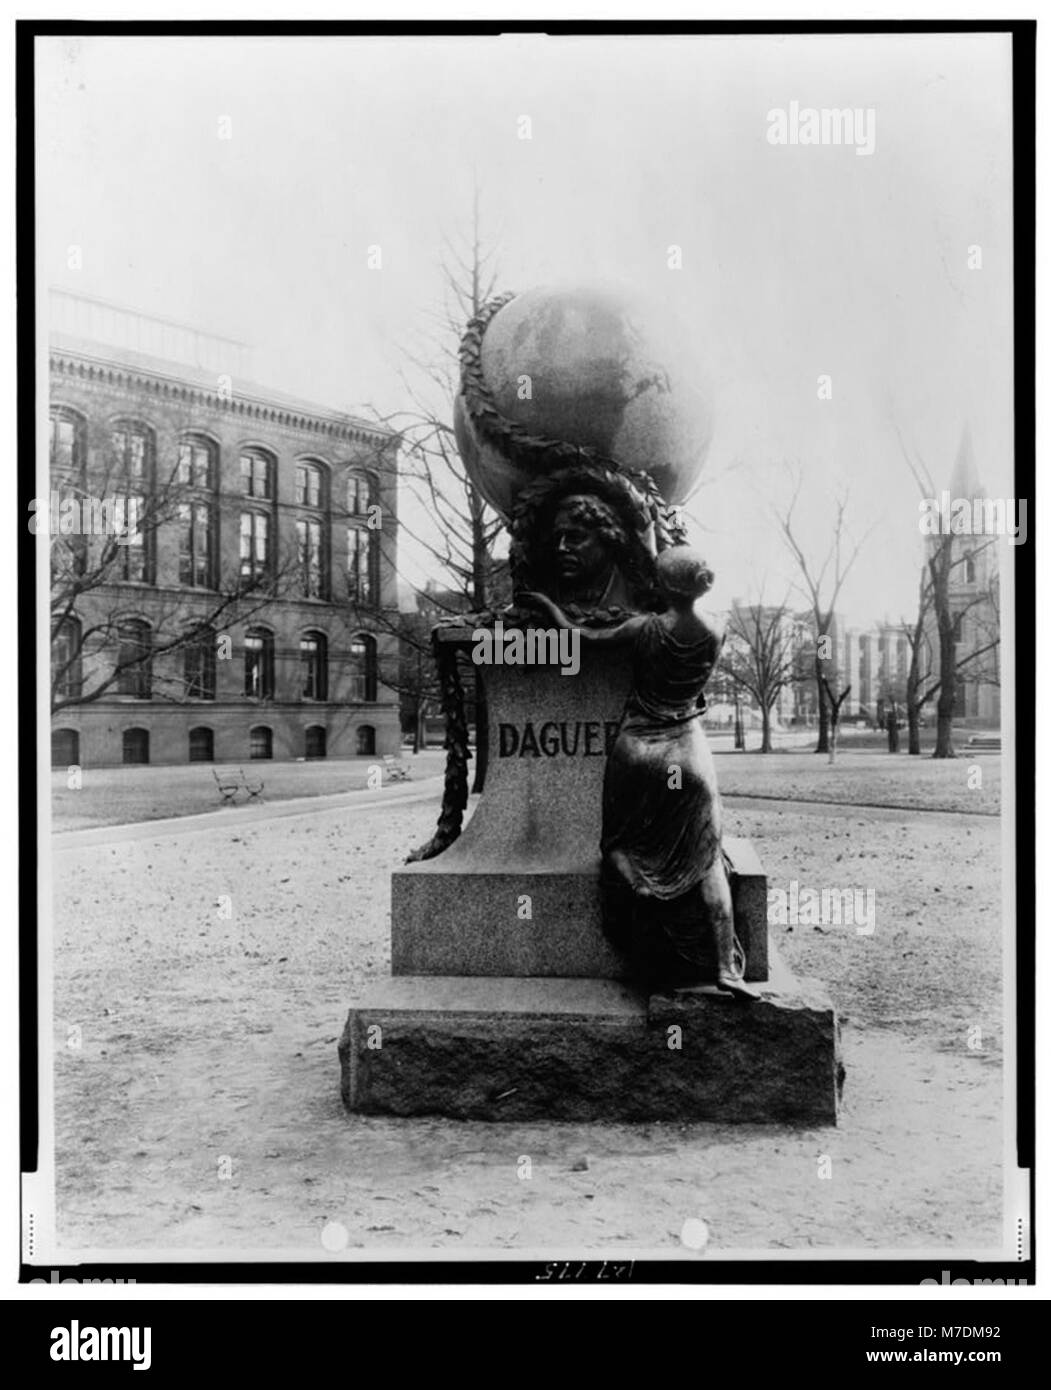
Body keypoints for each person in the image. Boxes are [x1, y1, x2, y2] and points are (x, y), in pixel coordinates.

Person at [521, 545, 759, 1000]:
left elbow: (580, 637)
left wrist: (546, 604)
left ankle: (641, 903)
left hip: (636, 750)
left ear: (663, 586)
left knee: (618, 844)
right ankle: (727, 967)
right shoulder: (717, 629)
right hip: (688, 753)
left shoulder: (642, 628)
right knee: (708, 861)